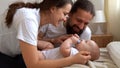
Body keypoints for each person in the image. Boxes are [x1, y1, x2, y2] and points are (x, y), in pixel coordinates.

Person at [0, 0, 91, 68]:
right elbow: (33, 64)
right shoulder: (29, 20)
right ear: (53, 9)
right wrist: (72, 60)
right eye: (64, 14)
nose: (65, 19)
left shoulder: (35, 19)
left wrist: (52, 40)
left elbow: (28, 41)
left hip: (12, 55)